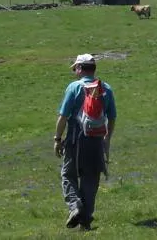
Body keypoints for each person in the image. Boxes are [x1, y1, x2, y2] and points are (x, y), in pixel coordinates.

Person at [54, 54, 117, 230]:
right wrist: (107, 140)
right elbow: (111, 118)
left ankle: (75, 206)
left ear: (81, 68)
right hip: (96, 141)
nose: (75, 71)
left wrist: (57, 139)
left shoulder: (74, 88)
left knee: (68, 175)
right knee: (90, 180)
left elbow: (63, 117)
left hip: (76, 140)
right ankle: (85, 222)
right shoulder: (106, 88)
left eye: (76, 68)